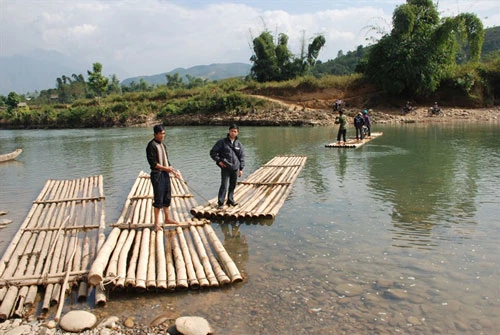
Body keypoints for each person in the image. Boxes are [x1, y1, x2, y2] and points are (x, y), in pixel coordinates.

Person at [146, 124, 181, 231]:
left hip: (165, 174)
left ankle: (167, 218)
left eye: (164, 133)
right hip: (157, 175)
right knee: (158, 199)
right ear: (155, 134)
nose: (162, 136)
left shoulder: (162, 145)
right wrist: (166, 169)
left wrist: (174, 172)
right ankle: (156, 224)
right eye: (161, 134)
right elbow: (153, 164)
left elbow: (167, 161)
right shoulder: (151, 146)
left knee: (167, 197)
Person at [210, 124, 245, 209]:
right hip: (225, 167)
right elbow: (213, 153)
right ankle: (221, 203)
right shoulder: (222, 142)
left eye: (235, 131)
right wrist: (219, 161)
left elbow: (242, 157)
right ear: (229, 131)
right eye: (232, 131)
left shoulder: (239, 144)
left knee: (233, 185)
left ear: (238, 133)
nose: (233, 133)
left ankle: (230, 200)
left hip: (235, 168)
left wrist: (241, 168)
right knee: (224, 185)